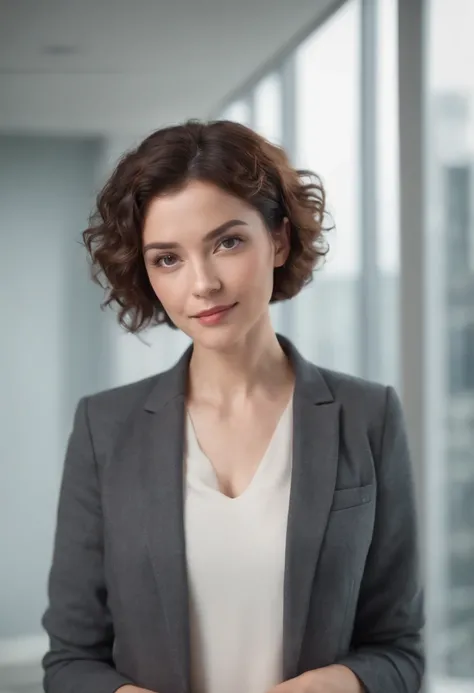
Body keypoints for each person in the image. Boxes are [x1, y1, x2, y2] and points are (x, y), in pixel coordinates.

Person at [41, 119, 424, 693]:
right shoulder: (104, 428)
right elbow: (70, 662)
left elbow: (399, 653)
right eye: (167, 259)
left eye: (227, 242)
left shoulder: (368, 416)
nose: (203, 284)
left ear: (279, 240)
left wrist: (329, 686)